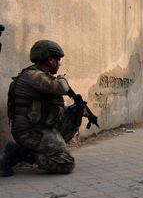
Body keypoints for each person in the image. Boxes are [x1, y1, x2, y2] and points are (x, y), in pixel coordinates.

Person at [0, 40, 86, 176]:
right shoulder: (33, 76)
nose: (59, 63)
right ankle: (20, 153)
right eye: (58, 60)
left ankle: (53, 149)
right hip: (28, 132)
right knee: (66, 164)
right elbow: (61, 88)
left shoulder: (41, 76)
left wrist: (76, 110)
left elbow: (49, 108)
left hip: (40, 126)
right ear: (50, 60)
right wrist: (62, 78)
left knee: (75, 116)